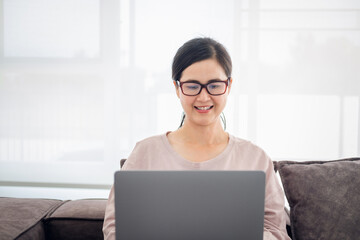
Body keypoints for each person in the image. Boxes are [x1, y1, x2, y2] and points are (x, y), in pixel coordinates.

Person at [103, 37, 290, 240]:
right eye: (192, 86)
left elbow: (276, 231)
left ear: (228, 85)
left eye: (214, 85)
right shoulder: (145, 152)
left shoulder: (256, 158)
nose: (203, 97)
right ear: (177, 88)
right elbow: (115, 227)